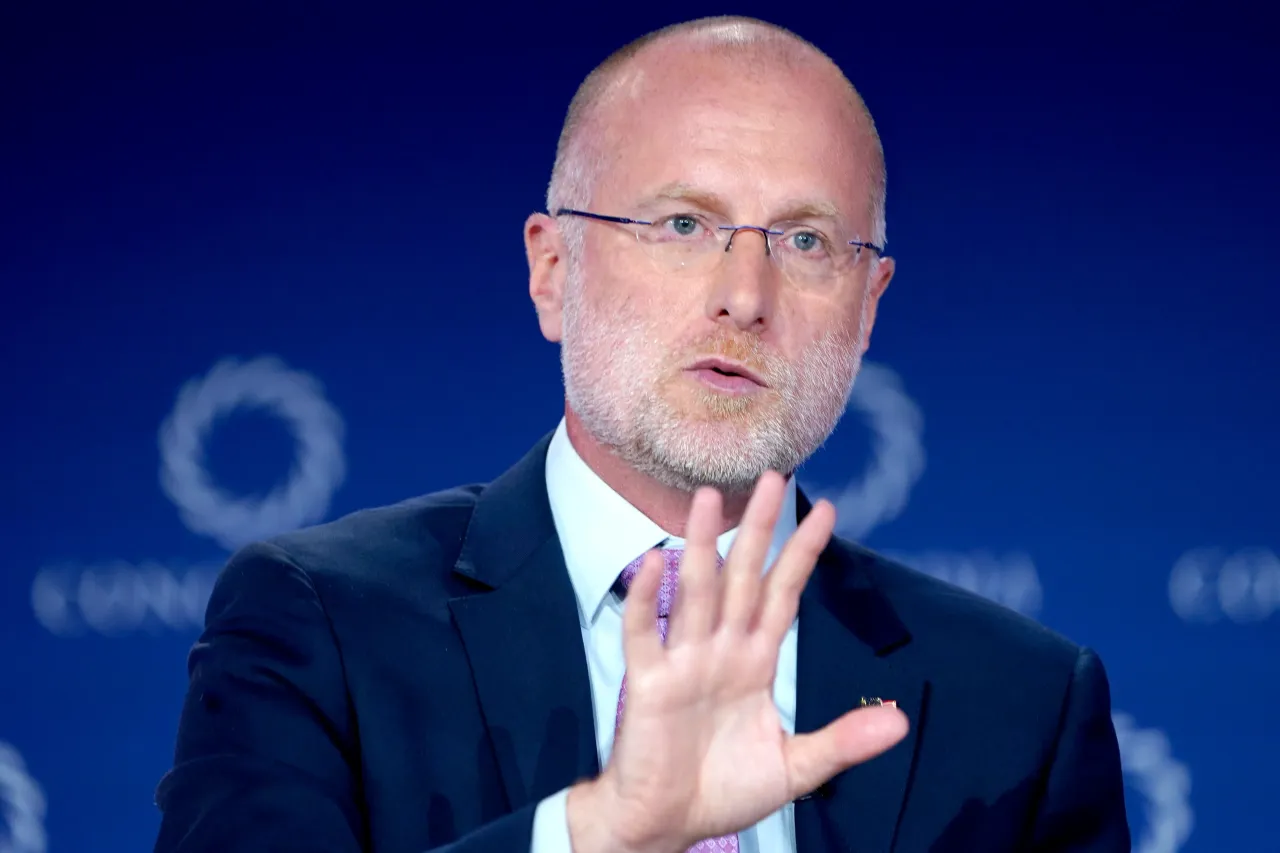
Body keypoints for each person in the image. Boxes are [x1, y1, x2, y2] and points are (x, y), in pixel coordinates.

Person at [152, 14, 1130, 853]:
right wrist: (598, 833)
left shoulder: (1019, 701)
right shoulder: (315, 622)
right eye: (680, 225)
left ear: (866, 309)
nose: (743, 297)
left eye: (804, 242)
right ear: (551, 271)